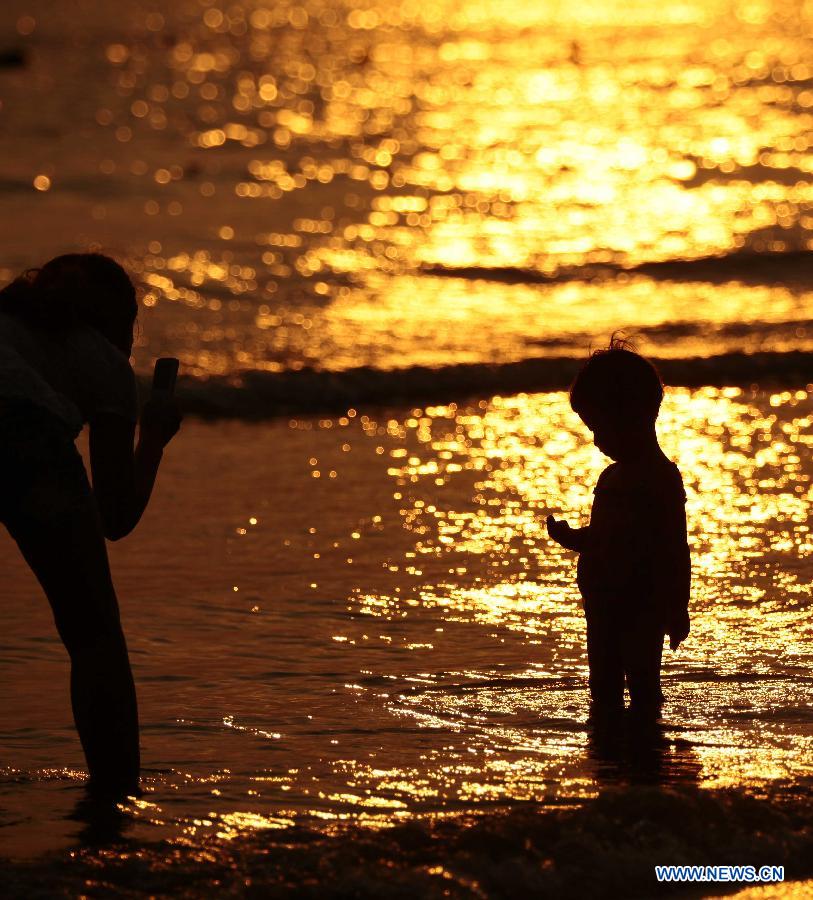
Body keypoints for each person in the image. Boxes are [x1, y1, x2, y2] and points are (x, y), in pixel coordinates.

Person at [0, 253, 181, 797]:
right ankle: (115, 794)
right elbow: (116, 516)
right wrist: (152, 440)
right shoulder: (103, 361)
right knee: (94, 634)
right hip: (24, 436)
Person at [546, 339, 690, 719]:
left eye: (600, 427)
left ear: (635, 416)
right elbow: (603, 538)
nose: (596, 441)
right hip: (602, 603)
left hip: (643, 604)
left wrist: (677, 607)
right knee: (603, 685)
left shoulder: (660, 478)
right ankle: (613, 744)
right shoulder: (610, 478)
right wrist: (571, 537)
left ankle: (646, 749)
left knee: (643, 683)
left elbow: (676, 548)